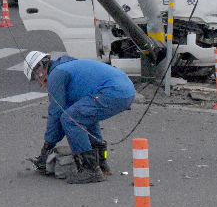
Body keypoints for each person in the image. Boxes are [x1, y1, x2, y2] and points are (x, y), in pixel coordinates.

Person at [25, 51, 135, 184]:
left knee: (70, 119)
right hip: (125, 90)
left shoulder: (56, 75)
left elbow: (56, 112)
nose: (39, 83)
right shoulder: (66, 66)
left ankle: (90, 170)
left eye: (36, 78)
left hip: (114, 91)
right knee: (82, 116)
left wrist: (47, 146)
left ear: (40, 70)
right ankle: (100, 164)